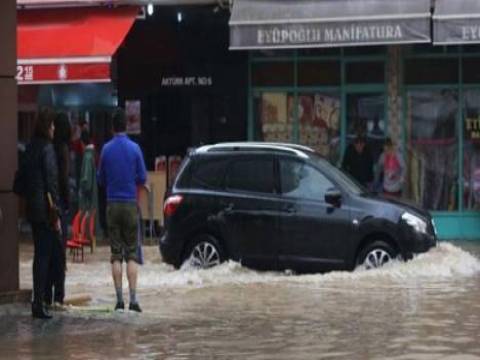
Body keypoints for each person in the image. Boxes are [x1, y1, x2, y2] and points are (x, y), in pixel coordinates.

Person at [98, 108, 147, 312]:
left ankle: (119, 301)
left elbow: (100, 179)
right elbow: (142, 178)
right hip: (129, 204)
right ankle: (133, 300)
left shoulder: (106, 150)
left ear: (112, 127)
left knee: (116, 254)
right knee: (132, 254)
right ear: (125, 126)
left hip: (112, 204)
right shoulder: (135, 149)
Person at [24, 109, 61, 319]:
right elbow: (51, 182)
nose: (54, 128)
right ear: (47, 127)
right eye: (52, 125)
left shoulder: (31, 147)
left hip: (33, 209)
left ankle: (39, 301)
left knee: (40, 255)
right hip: (45, 210)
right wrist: (55, 212)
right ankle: (40, 303)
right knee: (44, 257)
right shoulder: (47, 149)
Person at [45, 112, 71, 308]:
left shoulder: (47, 149)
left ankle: (47, 295)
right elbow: (63, 181)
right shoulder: (61, 150)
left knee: (48, 253)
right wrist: (66, 204)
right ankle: (58, 297)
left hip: (48, 206)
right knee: (60, 253)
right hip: (59, 206)